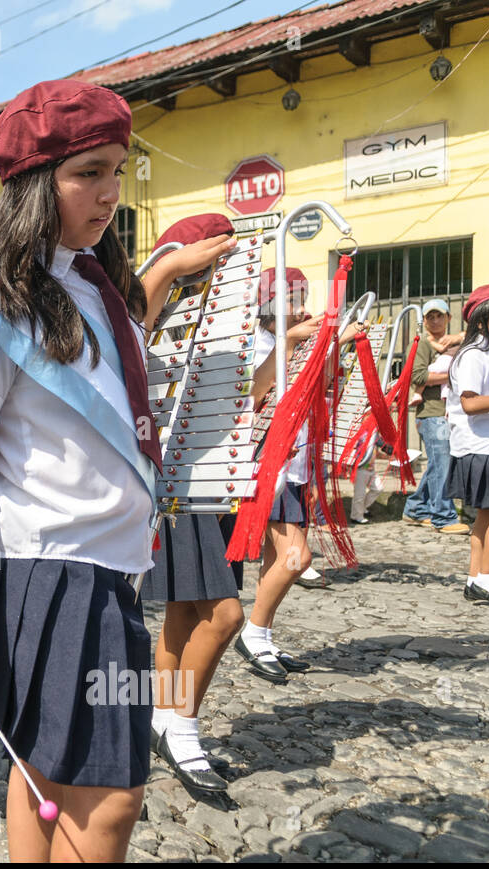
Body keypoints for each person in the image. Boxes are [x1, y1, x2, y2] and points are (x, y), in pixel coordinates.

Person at [0, 79, 158, 862]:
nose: (110, 192)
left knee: (45, 776)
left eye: (118, 171)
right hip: (53, 573)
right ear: (34, 186)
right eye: (87, 172)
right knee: (108, 801)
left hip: (104, 572)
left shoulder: (97, 285)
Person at [138, 213, 242, 797]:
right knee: (224, 615)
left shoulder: (219, 326)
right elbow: (129, 337)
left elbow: (243, 399)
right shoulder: (146, 310)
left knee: (182, 612)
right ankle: (183, 728)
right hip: (171, 484)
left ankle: (161, 716)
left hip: (211, 482)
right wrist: (172, 267)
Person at [233, 267, 361, 682]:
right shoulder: (257, 343)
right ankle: (252, 633)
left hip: (296, 463)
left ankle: (263, 635)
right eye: (292, 298)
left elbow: (314, 392)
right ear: (269, 304)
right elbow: (251, 396)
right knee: (297, 558)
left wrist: (330, 350)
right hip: (268, 465)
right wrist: (300, 344)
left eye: (303, 296)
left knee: (278, 559)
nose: (301, 306)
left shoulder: (294, 341)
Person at [444, 286, 489, 603]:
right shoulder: (475, 355)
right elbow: (470, 403)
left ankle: (476, 579)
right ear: (480, 320)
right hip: (482, 445)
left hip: (485, 444)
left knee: (485, 516)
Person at [404, 298, 467, 534]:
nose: (435, 320)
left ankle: (416, 508)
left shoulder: (456, 342)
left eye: (439, 315)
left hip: (449, 412)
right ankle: (443, 516)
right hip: (431, 413)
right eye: (430, 316)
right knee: (443, 464)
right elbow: (417, 377)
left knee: (439, 465)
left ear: (449, 318)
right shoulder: (421, 344)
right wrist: (453, 375)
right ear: (424, 321)